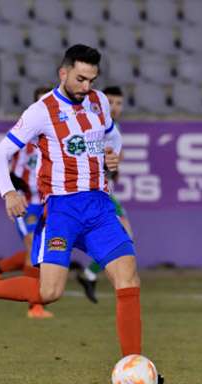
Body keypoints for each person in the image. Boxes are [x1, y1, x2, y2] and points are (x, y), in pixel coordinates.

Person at [0, 44, 163, 384]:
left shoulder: (99, 102)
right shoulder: (41, 111)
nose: (86, 87)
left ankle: (133, 367)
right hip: (62, 211)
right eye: (80, 78)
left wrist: (114, 156)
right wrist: (9, 192)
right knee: (49, 293)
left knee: (128, 280)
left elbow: (114, 135)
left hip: (100, 207)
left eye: (92, 80)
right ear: (63, 73)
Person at [0, 87, 53, 319]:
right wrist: (14, 192)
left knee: (42, 249)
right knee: (33, 248)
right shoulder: (25, 132)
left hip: (49, 202)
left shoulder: (57, 135)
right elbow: (4, 161)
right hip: (28, 202)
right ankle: (35, 305)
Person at [77, 86, 134, 302]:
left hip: (103, 189)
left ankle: (89, 274)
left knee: (123, 235)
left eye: (119, 103)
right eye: (111, 102)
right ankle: (89, 273)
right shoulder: (94, 124)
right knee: (123, 235)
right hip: (94, 191)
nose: (115, 107)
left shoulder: (112, 126)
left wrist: (114, 168)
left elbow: (113, 157)